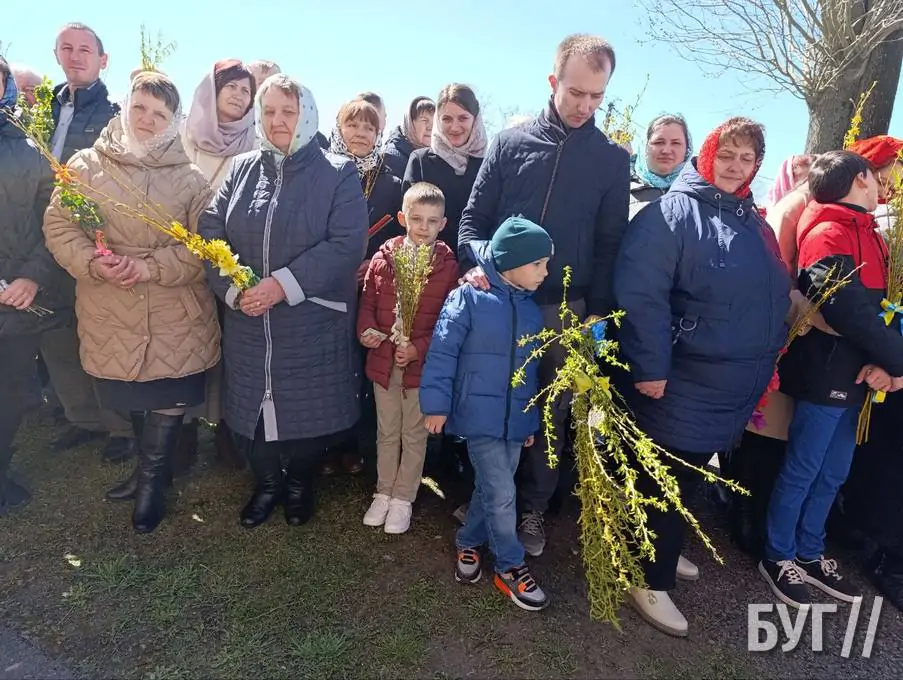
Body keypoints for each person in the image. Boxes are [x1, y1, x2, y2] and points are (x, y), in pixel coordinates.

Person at [614, 117, 791, 636]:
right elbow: (641, 295)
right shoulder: (670, 214)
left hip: (730, 379)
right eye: (726, 155)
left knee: (689, 474)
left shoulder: (752, 220)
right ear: (707, 154)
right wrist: (650, 367)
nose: (735, 166)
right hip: (684, 375)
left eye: (746, 158)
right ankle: (648, 575)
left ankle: (662, 549)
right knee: (666, 476)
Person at [458, 34, 630, 558]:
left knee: (551, 413)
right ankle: (485, 498)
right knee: (492, 401)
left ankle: (533, 506)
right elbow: (471, 223)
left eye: (597, 96)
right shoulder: (509, 145)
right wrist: (483, 265)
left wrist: (597, 314)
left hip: (566, 311)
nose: (585, 106)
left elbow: (610, 244)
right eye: (576, 92)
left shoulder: (611, 160)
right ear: (553, 81)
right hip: (500, 304)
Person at [43, 72, 220, 534]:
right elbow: (59, 226)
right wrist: (93, 262)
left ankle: (152, 485)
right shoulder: (85, 166)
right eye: (140, 107)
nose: (147, 119)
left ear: (173, 122)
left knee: (167, 394)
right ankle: (148, 471)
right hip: (111, 303)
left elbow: (205, 248)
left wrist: (150, 267)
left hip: (173, 309)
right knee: (134, 395)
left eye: (159, 114)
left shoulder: (190, 179)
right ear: (126, 106)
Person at [198, 74, 368, 529]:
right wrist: (235, 289)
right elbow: (210, 230)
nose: (278, 121)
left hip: (310, 319)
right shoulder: (241, 168)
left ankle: (299, 484)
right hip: (249, 318)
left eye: (288, 112)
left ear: (306, 116)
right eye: (269, 111)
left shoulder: (337, 172)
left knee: (308, 412)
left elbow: (346, 243)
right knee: (253, 412)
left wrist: (281, 285)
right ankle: (268, 483)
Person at [761, 150, 903, 608]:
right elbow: (846, 310)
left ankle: (810, 549)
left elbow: (882, 309)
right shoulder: (828, 231)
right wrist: (897, 360)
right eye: (878, 177)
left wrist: (885, 364)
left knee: (834, 470)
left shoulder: (868, 232)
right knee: (804, 466)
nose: (884, 186)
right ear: (861, 178)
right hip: (827, 369)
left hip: (858, 373)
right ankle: (778, 554)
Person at [421, 216, 553, 611]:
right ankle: (510, 566)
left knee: (492, 487)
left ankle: (468, 541)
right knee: (501, 493)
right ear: (510, 262)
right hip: (478, 415)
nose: (545, 273)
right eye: (538, 264)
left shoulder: (530, 311)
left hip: (513, 421)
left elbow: (529, 373)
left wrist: (528, 421)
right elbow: (442, 352)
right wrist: (436, 405)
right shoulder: (468, 297)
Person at [41, 22, 134, 461]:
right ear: (56, 55)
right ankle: (82, 419)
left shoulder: (115, 115)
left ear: (102, 60)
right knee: (56, 334)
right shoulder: (43, 111)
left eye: (85, 49)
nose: (75, 56)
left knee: (101, 334)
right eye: (67, 48)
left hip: (93, 240)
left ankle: (121, 428)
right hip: (45, 239)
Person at [357, 182, 459, 534]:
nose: (423, 227)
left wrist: (418, 348)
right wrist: (367, 332)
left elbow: (449, 322)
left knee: (414, 435)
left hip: (421, 368)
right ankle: (383, 492)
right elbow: (368, 304)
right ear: (402, 218)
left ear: (443, 224)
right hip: (384, 364)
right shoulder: (383, 259)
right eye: (416, 219)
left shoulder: (447, 266)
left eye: (432, 221)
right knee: (387, 431)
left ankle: (403, 498)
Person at [181, 59, 259, 470]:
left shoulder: (255, 145)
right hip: (179, 263)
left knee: (231, 352)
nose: (238, 96)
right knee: (186, 349)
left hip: (232, 265)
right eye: (231, 86)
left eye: (246, 90)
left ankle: (228, 432)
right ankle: (183, 432)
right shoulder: (184, 136)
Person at [0, 59, 63, 515]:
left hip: (16, 297)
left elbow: (52, 220)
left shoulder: (29, 147)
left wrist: (33, 276)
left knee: (11, 391)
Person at [404, 84, 487, 257]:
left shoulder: (488, 164)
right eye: (447, 119)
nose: (455, 127)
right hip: (429, 264)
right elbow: (408, 219)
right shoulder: (420, 161)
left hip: (477, 265)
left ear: (475, 119)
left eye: (463, 118)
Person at [329, 99, 403, 260]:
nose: (361, 134)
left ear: (377, 135)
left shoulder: (392, 186)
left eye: (369, 128)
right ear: (339, 130)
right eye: (353, 125)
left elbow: (400, 239)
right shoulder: (320, 175)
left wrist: (376, 262)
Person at [629, 114, 692, 219]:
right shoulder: (619, 185)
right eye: (659, 142)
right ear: (645, 146)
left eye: (676, 143)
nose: (666, 151)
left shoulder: (698, 195)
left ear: (687, 150)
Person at [383, 96, 434, 178]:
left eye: (435, 122)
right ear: (410, 123)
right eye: (424, 120)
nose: (430, 127)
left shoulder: (435, 157)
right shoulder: (392, 158)